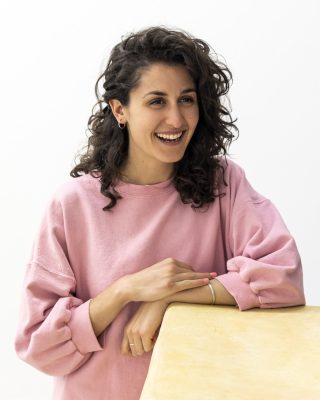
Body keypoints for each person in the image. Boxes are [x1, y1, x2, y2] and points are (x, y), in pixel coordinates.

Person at [14, 25, 306, 400]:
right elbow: (39, 346)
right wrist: (124, 291)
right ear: (120, 109)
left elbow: (281, 278)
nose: (176, 120)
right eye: (157, 101)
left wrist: (171, 298)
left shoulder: (223, 183)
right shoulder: (72, 204)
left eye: (186, 99)